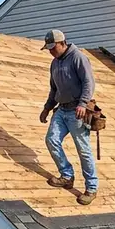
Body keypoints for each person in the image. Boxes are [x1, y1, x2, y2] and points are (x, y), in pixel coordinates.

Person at [38, 29, 99, 205]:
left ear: (62, 43)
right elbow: (54, 88)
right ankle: (66, 175)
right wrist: (47, 108)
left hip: (77, 111)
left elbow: (89, 82)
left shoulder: (78, 58)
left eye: (52, 47)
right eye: (48, 48)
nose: (50, 51)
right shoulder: (54, 63)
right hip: (61, 109)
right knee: (51, 140)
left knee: (83, 149)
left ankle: (91, 188)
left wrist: (82, 103)